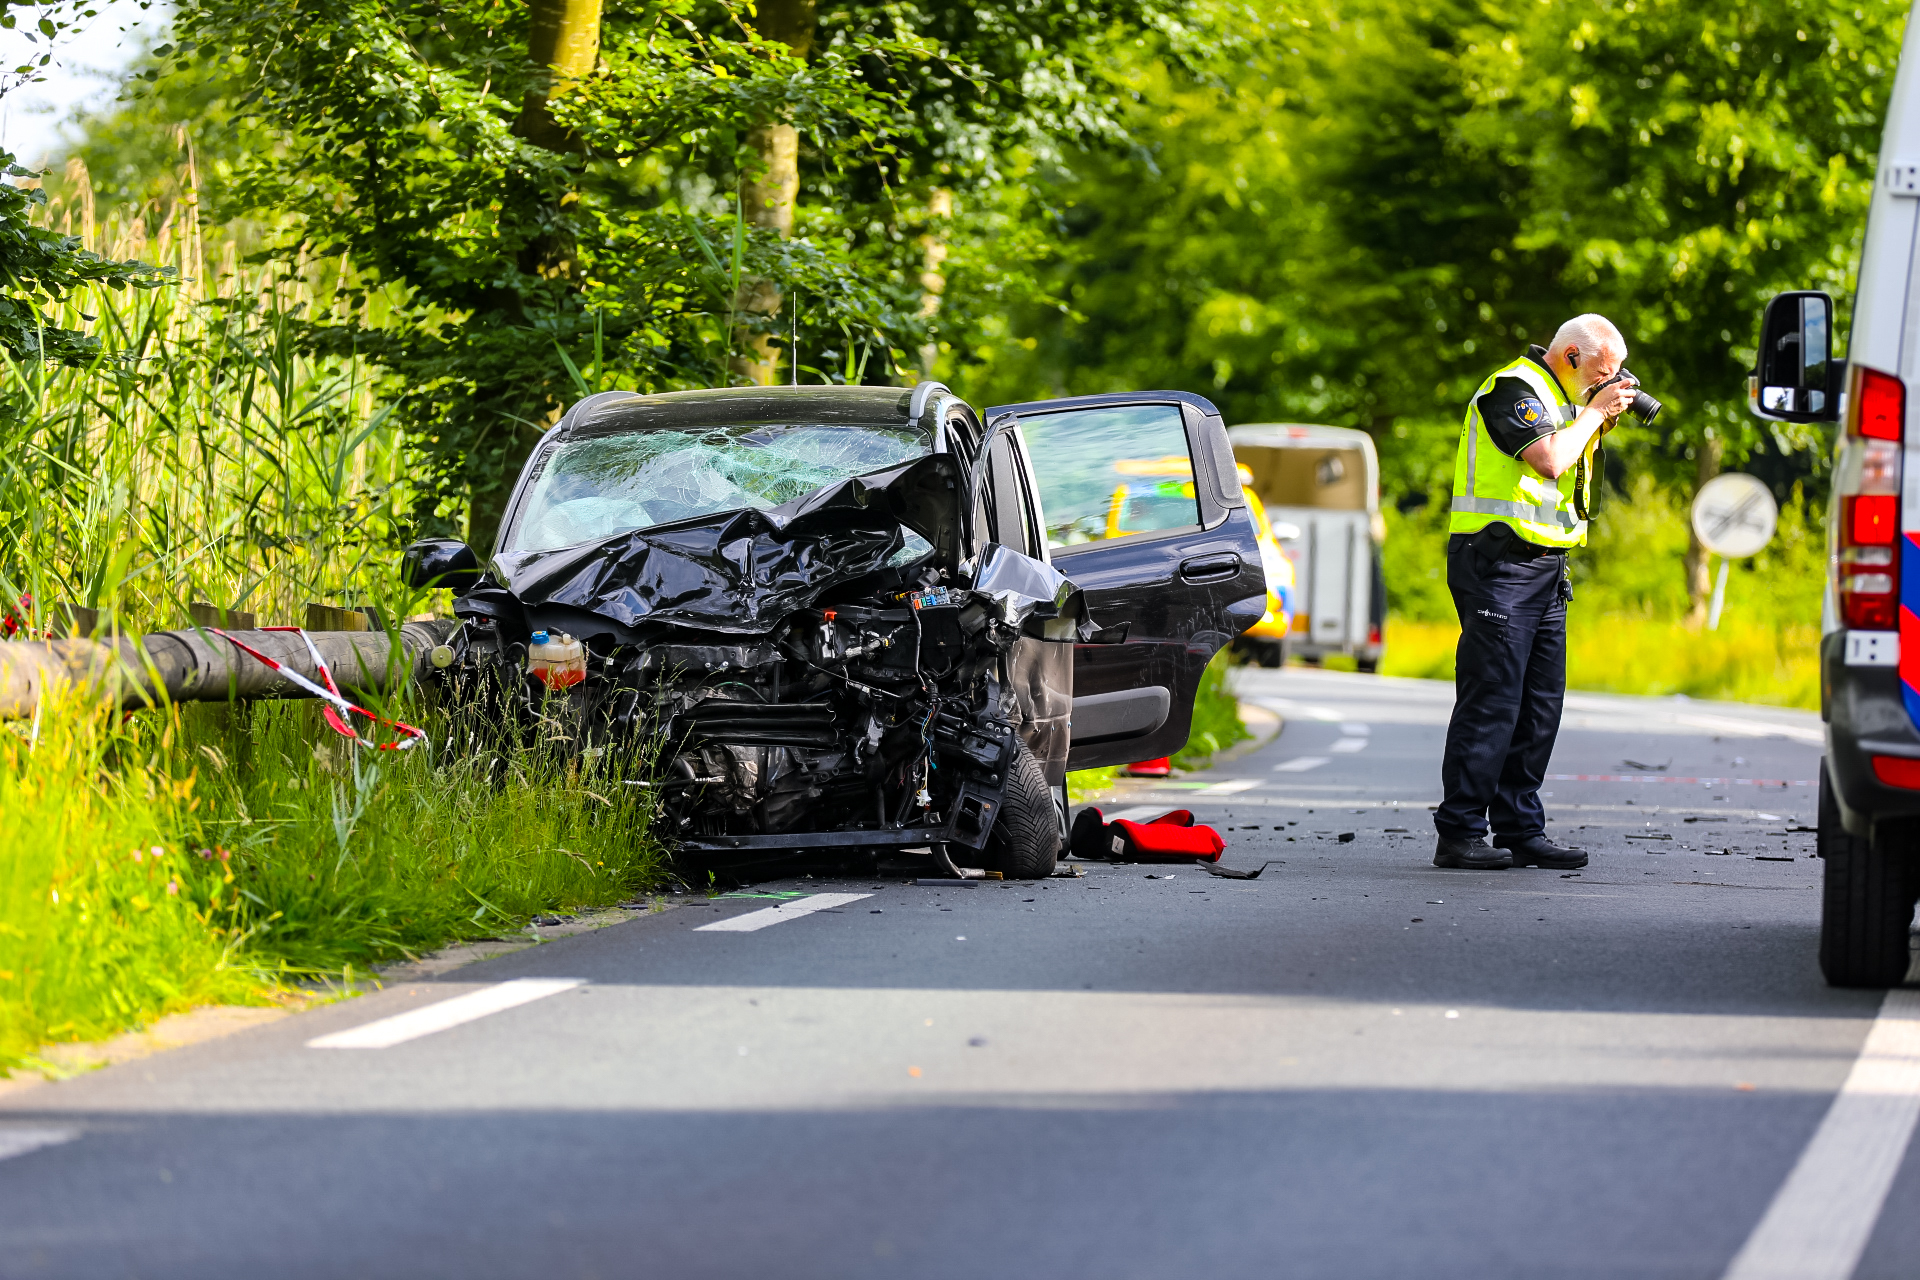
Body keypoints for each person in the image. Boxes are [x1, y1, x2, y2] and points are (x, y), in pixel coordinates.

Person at [1432, 315, 1641, 871]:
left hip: (1547, 567)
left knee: (1540, 706)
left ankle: (1521, 827)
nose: (1610, 380)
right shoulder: (1512, 388)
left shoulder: (1567, 400)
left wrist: (1596, 415)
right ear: (1571, 355)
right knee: (1493, 698)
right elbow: (1548, 461)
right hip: (1497, 561)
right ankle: (1459, 832)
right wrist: (1595, 413)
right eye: (1603, 370)